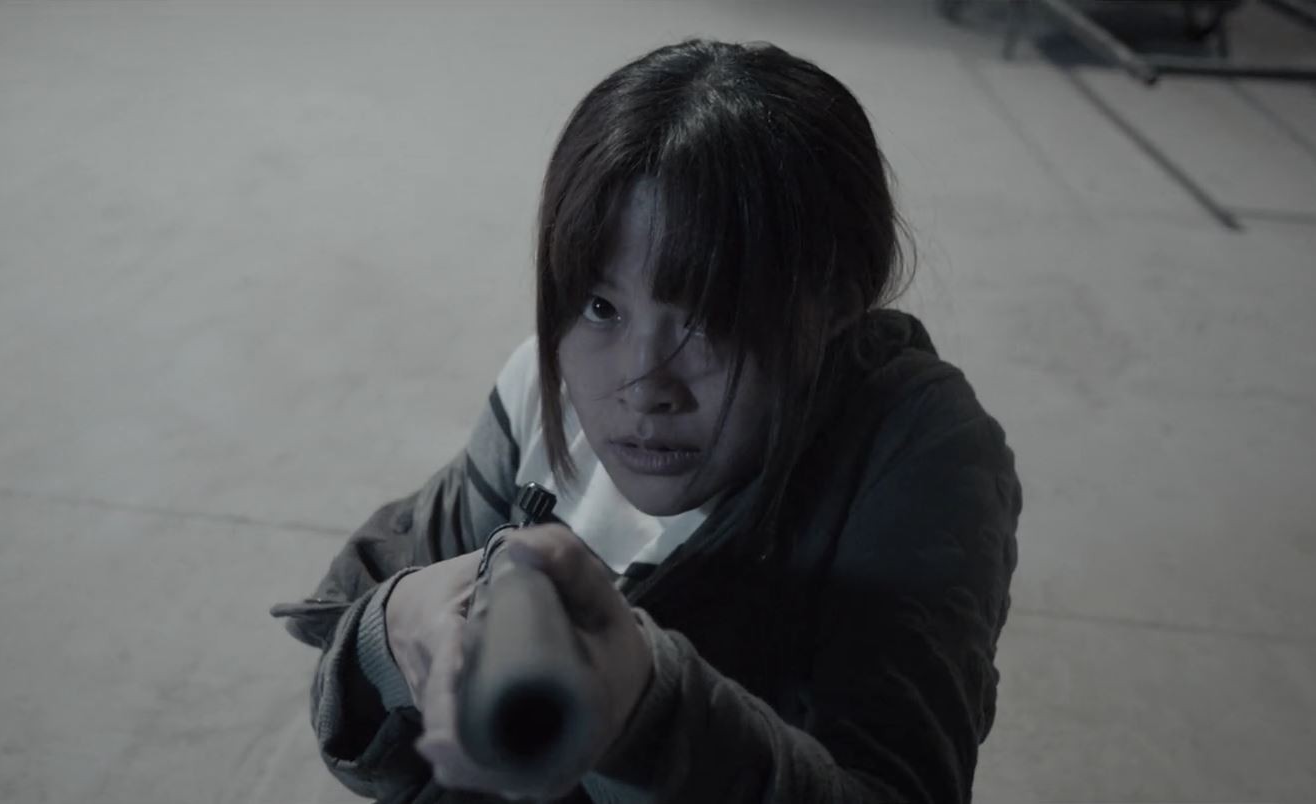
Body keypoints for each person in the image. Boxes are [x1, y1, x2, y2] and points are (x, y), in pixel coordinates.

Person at [271, 37, 1022, 804]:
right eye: (602, 306)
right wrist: (393, 629)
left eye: (711, 317)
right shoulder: (549, 385)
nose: (642, 385)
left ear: (835, 300)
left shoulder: (916, 455)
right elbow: (366, 622)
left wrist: (649, 717)